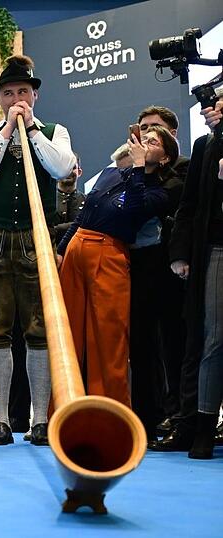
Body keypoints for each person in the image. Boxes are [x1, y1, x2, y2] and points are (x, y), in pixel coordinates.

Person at [0, 55, 77, 445]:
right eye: (9, 93)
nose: (17, 99)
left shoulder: (55, 132)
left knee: (39, 329)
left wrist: (29, 128)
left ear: (35, 96)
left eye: (23, 92)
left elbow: (62, 168)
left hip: (36, 238)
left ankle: (40, 420)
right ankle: (1, 419)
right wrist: (7, 131)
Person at [57, 126, 175, 405]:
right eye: (144, 138)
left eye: (154, 142)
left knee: (108, 338)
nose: (145, 143)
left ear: (165, 158)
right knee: (68, 333)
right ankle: (65, 410)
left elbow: (134, 209)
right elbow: (84, 213)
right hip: (77, 248)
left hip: (109, 253)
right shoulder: (112, 174)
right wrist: (61, 250)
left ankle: (110, 411)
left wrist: (138, 167)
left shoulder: (159, 193)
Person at [121, 107, 189, 440]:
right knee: (141, 345)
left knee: (173, 342)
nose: (146, 135)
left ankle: (177, 414)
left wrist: (140, 169)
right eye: (142, 129)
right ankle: (146, 419)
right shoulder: (128, 173)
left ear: (171, 137)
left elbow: (149, 205)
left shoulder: (182, 168)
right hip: (136, 267)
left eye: (154, 131)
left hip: (170, 268)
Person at [166, 100, 223, 458]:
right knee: (213, 339)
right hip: (215, 248)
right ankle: (203, 425)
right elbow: (188, 206)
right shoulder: (206, 145)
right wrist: (179, 253)